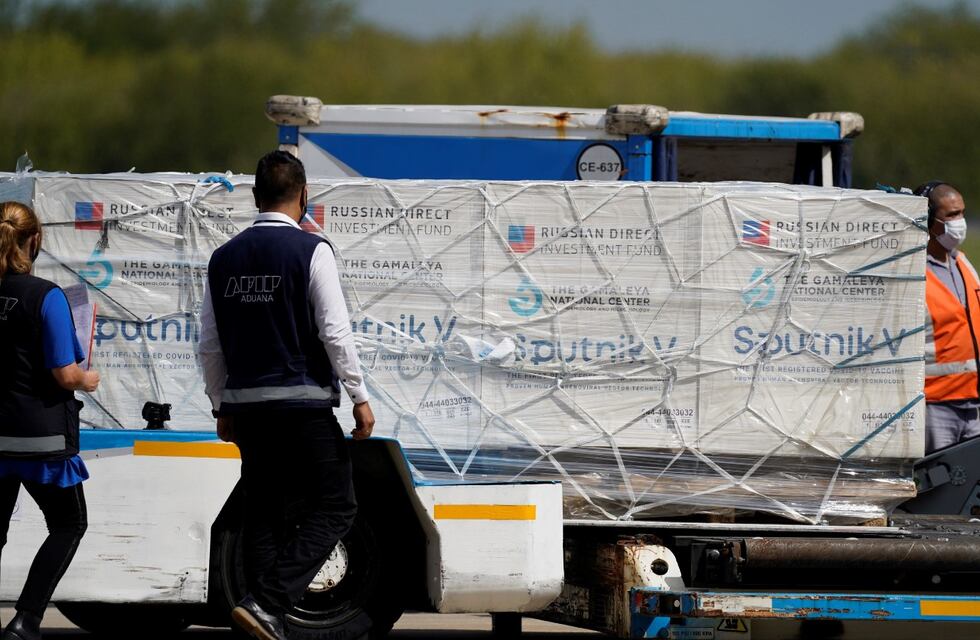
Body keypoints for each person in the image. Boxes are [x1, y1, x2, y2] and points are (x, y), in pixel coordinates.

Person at [199, 151, 375, 640]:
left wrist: (221, 404)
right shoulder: (312, 250)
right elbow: (334, 332)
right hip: (302, 407)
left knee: (264, 512)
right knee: (337, 505)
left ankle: (261, 620)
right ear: (304, 196)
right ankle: (269, 601)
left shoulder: (223, 258)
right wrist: (359, 395)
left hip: (249, 410)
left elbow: (208, 345)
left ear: (255, 197)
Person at [0, 201, 100, 640]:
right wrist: (89, 378)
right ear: (35, 240)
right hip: (40, 438)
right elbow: (65, 374)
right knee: (68, 524)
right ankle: (26, 619)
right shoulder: (47, 296)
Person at [917, 181, 980, 453]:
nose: (960, 222)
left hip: (974, 401)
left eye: (962, 213)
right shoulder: (915, 273)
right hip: (936, 405)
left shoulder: (963, 263)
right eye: (951, 215)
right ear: (930, 221)